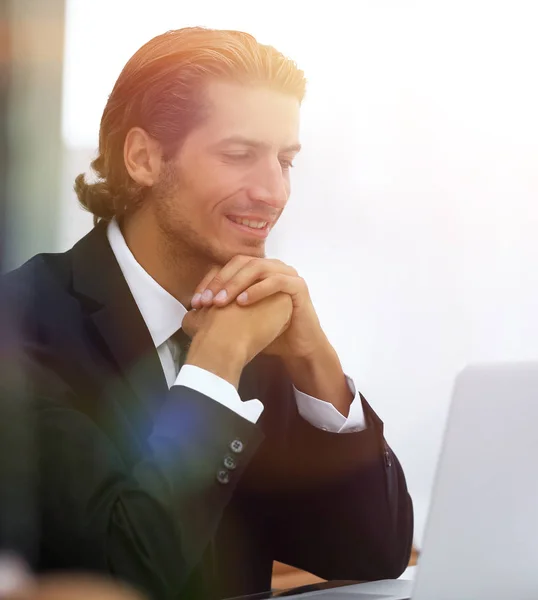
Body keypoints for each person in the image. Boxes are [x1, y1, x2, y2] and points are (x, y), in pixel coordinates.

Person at [0, 27, 413, 600]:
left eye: (285, 160)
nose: (273, 191)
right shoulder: (23, 323)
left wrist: (316, 360)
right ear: (144, 158)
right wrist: (215, 363)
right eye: (239, 155)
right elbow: (127, 570)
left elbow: (372, 552)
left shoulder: (260, 323)